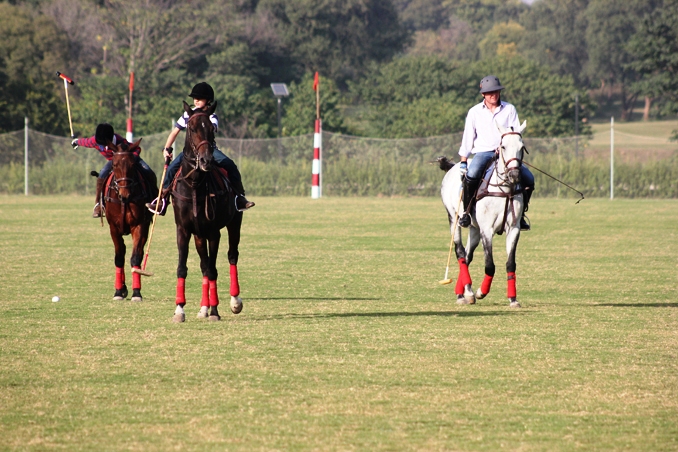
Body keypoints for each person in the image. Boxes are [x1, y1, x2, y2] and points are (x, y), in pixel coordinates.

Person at [146, 82, 254, 216]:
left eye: (200, 98)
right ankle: (162, 200)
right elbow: (174, 133)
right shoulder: (187, 115)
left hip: (209, 151)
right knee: (172, 168)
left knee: (230, 165)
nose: (196, 100)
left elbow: (212, 129)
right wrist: (166, 148)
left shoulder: (212, 116)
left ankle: (239, 197)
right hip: (190, 152)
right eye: (194, 98)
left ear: (208, 100)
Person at [457, 75, 534, 230]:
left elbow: (515, 133)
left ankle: (521, 215)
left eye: (496, 91)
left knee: (529, 179)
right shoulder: (474, 112)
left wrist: (506, 147)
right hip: (483, 152)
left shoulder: (509, 109)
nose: (494, 95)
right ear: (483, 94)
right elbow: (468, 138)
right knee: (471, 176)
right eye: (490, 92)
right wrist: (464, 161)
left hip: (505, 154)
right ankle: (466, 213)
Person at [72, 123, 156, 218]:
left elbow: (137, 148)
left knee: (148, 171)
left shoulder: (120, 141)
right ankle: (98, 205)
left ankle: (156, 199)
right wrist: (76, 142)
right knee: (102, 173)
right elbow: (85, 142)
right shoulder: (95, 140)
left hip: (130, 159)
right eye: (100, 145)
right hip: (114, 162)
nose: (103, 147)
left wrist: (132, 158)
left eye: (104, 144)